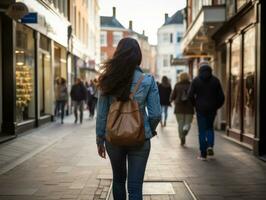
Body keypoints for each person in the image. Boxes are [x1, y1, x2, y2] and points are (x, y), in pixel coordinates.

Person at [96, 38, 161, 200]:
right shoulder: (148, 80)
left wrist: (100, 139)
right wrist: (148, 130)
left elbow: (102, 113)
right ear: (138, 56)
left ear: (118, 54)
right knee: (135, 187)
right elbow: (155, 114)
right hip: (140, 139)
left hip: (113, 139)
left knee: (118, 180)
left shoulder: (108, 80)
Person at [188, 61, 225, 160]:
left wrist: (195, 105)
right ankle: (210, 146)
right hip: (212, 109)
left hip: (200, 109)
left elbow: (190, 95)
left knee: (202, 131)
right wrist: (216, 106)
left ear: (199, 70)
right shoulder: (215, 80)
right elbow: (222, 97)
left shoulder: (196, 80)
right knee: (209, 128)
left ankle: (203, 154)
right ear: (210, 70)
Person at [171, 72, 194, 146]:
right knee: (188, 123)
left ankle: (181, 137)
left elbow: (173, 96)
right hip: (189, 107)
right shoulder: (191, 85)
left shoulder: (177, 85)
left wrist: (171, 100)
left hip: (179, 107)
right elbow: (194, 96)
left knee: (180, 123)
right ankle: (185, 130)